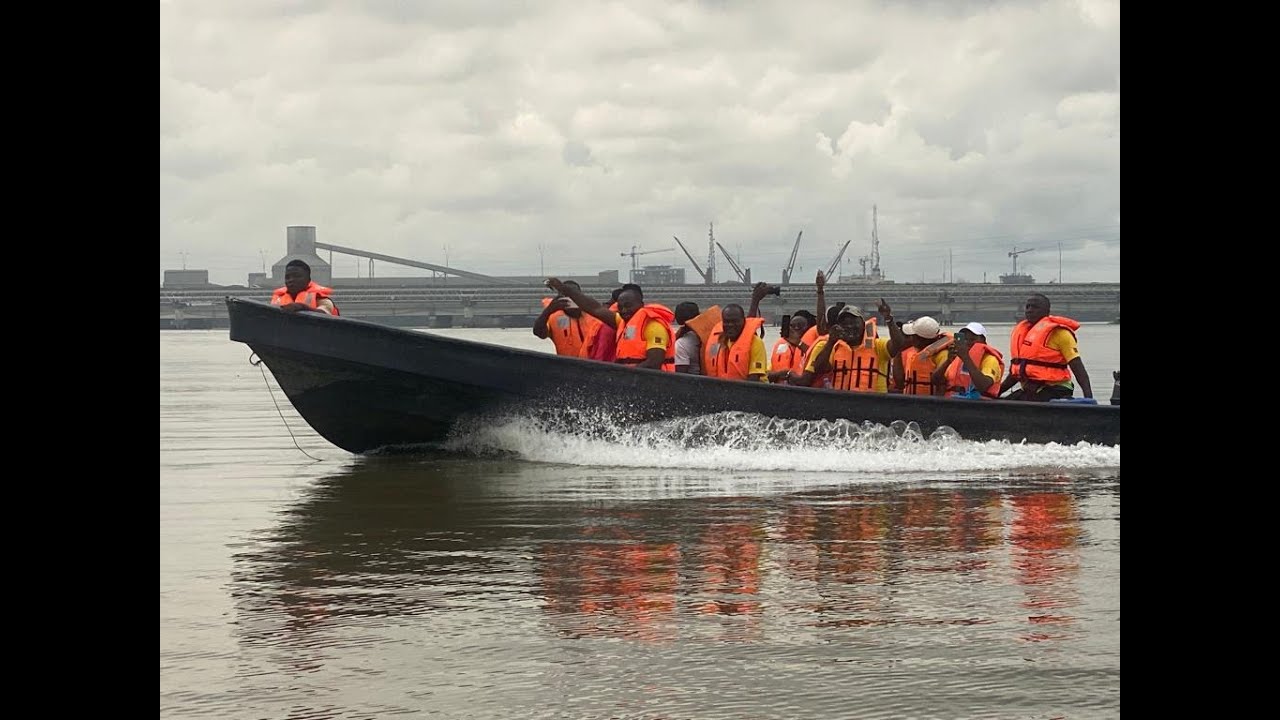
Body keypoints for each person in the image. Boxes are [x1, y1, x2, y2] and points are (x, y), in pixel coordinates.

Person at [546, 278, 675, 371]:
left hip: (652, 381)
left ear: (641, 304)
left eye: (629, 306)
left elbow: (654, 363)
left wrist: (621, 375)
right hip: (632, 378)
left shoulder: (653, 326)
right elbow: (595, 308)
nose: (624, 311)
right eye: (621, 307)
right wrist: (564, 289)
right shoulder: (623, 322)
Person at [789, 299, 905, 391]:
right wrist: (830, 342)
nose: (849, 326)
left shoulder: (877, 346)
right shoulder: (835, 348)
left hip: (873, 402)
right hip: (843, 403)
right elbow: (819, 368)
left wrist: (888, 319)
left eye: (854, 322)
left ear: (863, 325)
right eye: (845, 323)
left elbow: (898, 344)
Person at [997, 293, 1093, 401]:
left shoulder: (1060, 333)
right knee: (1005, 403)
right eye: (1027, 307)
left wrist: (1089, 398)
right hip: (1031, 390)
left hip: (1056, 389)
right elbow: (1016, 373)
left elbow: (1077, 367)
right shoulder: (1023, 334)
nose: (1029, 310)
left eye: (1035, 307)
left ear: (1046, 311)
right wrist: (995, 393)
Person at [933, 322, 1004, 399]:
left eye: (972, 339)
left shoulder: (990, 359)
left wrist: (966, 357)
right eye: (965, 339)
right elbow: (936, 380)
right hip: (953, 402)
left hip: (977, 406)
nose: (968, 342)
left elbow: (983, 386)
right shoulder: (957, 358)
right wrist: (948, 361)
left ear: (983, 340)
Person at [532, 280, 602, 358]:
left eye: (574, 295)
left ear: (581, 296)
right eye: (566, 295)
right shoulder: (553, 317)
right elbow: (539, 333)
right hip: (568, 366)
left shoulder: (595, 314)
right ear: (559, 298)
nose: (570, 299)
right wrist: (548, 311)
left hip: (594, 366)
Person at [705, 303, 768, 382]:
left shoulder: (756, 343)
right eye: (726, 322)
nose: (730, 325)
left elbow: (754, 378)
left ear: (743, 321)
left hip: (752, 389)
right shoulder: (721, 342)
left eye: (735, 322)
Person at [893, 316, 947, 395]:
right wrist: (897, 351)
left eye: (912, 335)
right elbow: (900, 383)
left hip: (929, 403)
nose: (910, 338)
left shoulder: (942, 355)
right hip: (911, 402)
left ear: (919, 339)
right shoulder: (912, 354)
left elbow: (942, 385)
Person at [270, 259, 338, 315]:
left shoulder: (322, 299)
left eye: (297, 276)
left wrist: (302, 307)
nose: (291, 280)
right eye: (287, 277)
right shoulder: (278, 298)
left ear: (308, 279)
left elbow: (325, 314)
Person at [767, 312, 814, 384]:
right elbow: (767, 374)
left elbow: (815, 359)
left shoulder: (814, 345)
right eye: (792, 326)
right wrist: (780, 374)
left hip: (801, 389)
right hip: (779, 389)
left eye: (800, 326)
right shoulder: (781, 344)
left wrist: (799, 343)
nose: (796, 328)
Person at [673, 302, 704, 374]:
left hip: (694, 381)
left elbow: (680, 374)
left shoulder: (681, 344)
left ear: (677, 320)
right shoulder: (709, 334)